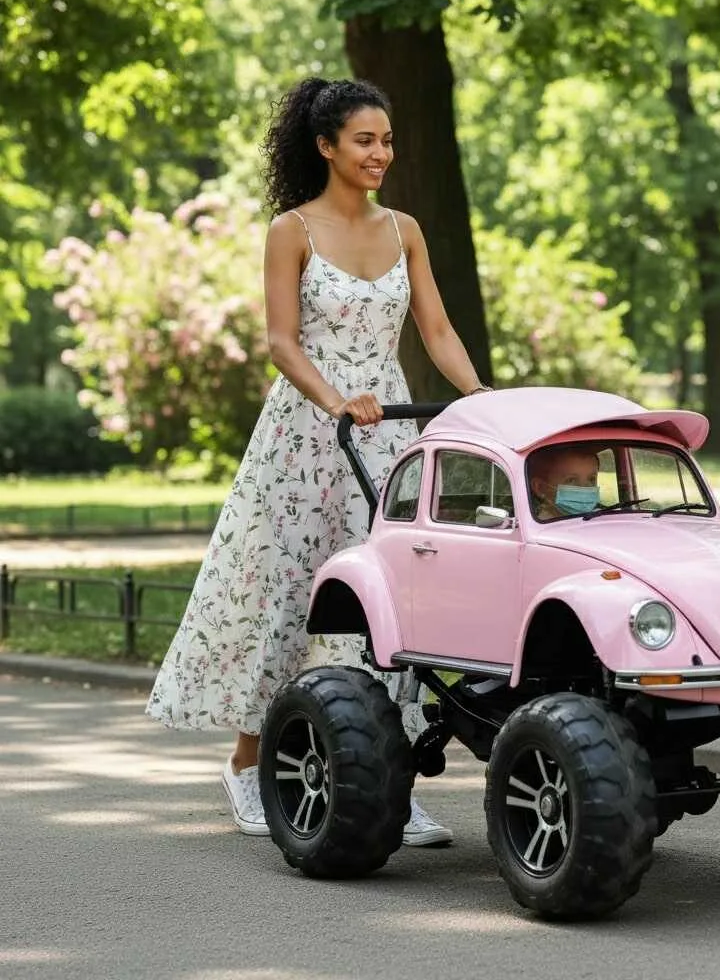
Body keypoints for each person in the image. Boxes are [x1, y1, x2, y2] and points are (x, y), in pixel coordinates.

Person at [145, 77, 491, 847]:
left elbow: (435, 330)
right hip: (305, 436)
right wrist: (335, 399)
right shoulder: (291, 229)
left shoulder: (405, 229)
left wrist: (482, 397)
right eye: (365, 141)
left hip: (388, 438)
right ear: (327, 146)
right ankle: (247, 765)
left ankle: (386, 785)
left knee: (389, 609)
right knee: (285, 598)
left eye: (388, 141)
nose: (381, 154)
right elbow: (281, 342)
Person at [528, 446, 601, 519]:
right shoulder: (539, 527)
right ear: (540, 488)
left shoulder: (600, 517)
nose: (585, 488)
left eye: (591, 479)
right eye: (571, 480)